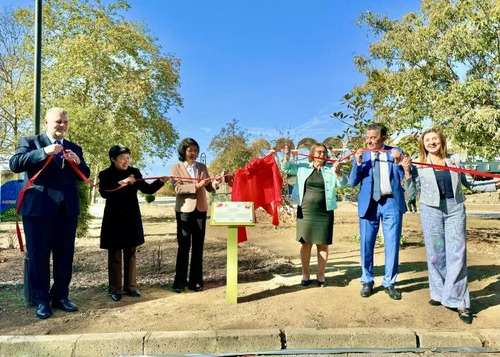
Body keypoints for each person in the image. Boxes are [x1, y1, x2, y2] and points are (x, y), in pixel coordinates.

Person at [402, 129, 500, 324]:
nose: (431, 142)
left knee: (458, 253)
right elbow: (410, 191)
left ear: (441, 141)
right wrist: (406, 171)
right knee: (435, 253)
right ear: (423, 144)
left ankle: (460, 301)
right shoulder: (418, 164)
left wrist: (495, 184)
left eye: (434, 139)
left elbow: (471, 184)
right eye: (427, 140)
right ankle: (439, 294)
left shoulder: (454, 161)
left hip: (455, 209)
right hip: (431, 210)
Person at [9, 107, 91, 319]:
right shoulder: (30, 142)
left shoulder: (74, 147)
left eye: (65, 122)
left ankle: (61, 296)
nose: (62, 125)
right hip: (38, 211)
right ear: (46, 122)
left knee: (65, 257)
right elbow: (15, 164)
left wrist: (79, 162)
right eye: (58, 122)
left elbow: (85, 176)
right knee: (39, 257)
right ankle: (42, 300)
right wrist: (43, 152)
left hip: (67, 211)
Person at [98, 145, 166, 302]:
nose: (126, 161)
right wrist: (122, 182)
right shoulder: (105, 174)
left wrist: (160, 182)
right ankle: (115, 289)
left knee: (131, 253)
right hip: (114, 219)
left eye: (128, 158)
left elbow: (147, 190)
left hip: (131, 218)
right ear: (113, 159)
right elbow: (104, 192)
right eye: (122, 158)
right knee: (115, 254)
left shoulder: (135, 172)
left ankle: (131, 287)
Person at [349, 123, 407, 300]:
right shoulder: (362, 154)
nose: (369, 140)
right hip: (369, 205)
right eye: (367, 137)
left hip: (391, 202)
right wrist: (358, 163)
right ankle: (367, 280)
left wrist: (398, 162)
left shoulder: (395, 151)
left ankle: (389, 283)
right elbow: (352, 182)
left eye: (373, 137)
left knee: (392, 244)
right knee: (366, 244)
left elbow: (403, 175)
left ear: (383, 138)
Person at [281, 143, 347, 287]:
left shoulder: (330, 169)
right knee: (305, 243)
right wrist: (286, 156)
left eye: (324, 153)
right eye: (319, 152)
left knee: (323, 244)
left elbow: (343, 184)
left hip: (325, 212)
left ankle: (321, 274)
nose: (322, 155)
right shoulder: (303, 167)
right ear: (312, 154)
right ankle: (305, 274)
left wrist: (338, 172)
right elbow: (285, 168)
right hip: (305, 212)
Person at [170, 138, 220, 293]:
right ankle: (179, 282)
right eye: (190, 150)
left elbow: (209, 187)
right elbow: (177, 189)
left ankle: (196, 281)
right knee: (184, 246)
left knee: (198, 246)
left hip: (201, 209)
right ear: (183, 151)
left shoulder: (202, 167)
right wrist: (196, 186)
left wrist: (215, 184)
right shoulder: (176, 168)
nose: (193, 153)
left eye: (195, 150)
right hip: (184, 210)